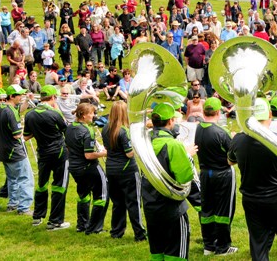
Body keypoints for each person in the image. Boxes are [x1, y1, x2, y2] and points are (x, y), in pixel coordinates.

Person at [227, 98, 277, 261]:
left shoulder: (238, 139)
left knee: (258, 245)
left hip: (250, 199)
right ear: (269, 114)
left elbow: (230, 161)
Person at [141, 102, 197, 260]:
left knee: (157, 253)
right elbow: (185, 177)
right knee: (176, 254)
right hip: (172, 209)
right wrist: (187, 156)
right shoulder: (173, 145)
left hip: (150, 206)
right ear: (171, 121)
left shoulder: (144, 143)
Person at [23, 84, 71, 230]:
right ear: (53, 97)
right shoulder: (55, 113)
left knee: (42, 184)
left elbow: (26, 135)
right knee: (59, 185)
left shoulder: (29, 114)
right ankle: (56, 221)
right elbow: (66, 131)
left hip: (42, 153)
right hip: (59, 153)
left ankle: (37, 216)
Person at [195, 97, 237, 256]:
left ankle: (208, 246)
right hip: (223, 174)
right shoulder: (221, 132)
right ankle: (223, 247)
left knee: (207, 209)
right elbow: (233, 157)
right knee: (223, 210)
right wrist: (233, 138)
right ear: (218, 112)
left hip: (205, 174)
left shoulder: (198, 128)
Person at [101, 100, 146, 242]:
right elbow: (129, 153)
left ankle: (117, 231)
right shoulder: (124, 131)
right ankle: (140, 234)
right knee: (134, 203)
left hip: (111, 169)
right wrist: (140, 145)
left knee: (118, 202)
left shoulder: (105, 128)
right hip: (127, 170)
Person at [0, 84, 34, 215]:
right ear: (12, 96)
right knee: (25, 179)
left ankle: (12, 204)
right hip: (15, 151)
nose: (21, 97)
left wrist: (25, 101)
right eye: (19, 95)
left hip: (3, 151)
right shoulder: (11, 112)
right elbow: (17, 134)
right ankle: (24, 208)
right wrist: (28, 129)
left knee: (12, 179)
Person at [65, 102, 109, 234]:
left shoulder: (69, 127)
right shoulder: (87, 131)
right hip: (89, 167)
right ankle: (94, 228)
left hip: (74, 167)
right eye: (91, 113)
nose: (93, 116)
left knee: (83, 196)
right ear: (83, 115)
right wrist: (104, 153)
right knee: (102, 196)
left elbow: (68, 147)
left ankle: (82, 225)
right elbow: (89, 155)